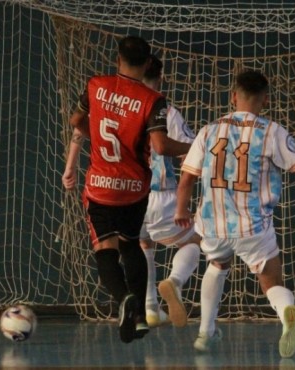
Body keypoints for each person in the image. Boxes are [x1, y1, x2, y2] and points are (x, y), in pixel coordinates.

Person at [174, 69, 295, 358]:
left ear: (233, 96)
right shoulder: (271, 131)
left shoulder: (209, 130)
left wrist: (182, 208)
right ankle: (285, 312)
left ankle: (205, 333)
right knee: (271, 281)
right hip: (253, 225)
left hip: (214, 223)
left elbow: (187, 179)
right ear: (265, 100)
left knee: (216, 265)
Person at [66, 35, 191, 344]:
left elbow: (76, 121)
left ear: (117, 58)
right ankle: (139, 317)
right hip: (135, 188)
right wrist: (195, 147)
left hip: (100, 186)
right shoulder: (153, 100)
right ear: (148, 63)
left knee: (104, 249)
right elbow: (161, 145)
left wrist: (92, 139)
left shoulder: (96, 85)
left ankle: (125, 300)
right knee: (132, 244)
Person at [139, 55, 202, 328]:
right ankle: (174, 283)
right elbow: (190, 148)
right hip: (161, 194)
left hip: (127, 196)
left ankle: (150, 307)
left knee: (143, 244)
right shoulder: (166, 111)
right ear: (161, 78)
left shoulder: (123, 108)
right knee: (195, 241)